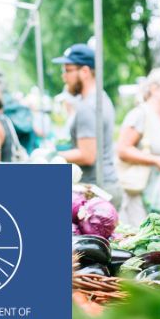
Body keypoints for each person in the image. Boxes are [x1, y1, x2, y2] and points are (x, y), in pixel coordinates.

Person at [52, 43, 122, 209]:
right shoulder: (101, 98)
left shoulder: (87, 107)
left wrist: (52, 156)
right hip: (108, 185)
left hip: (97, 191)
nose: (64, 77)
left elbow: (87, 155)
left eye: (68, 70)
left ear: (84, 72)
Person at [117, 68, 160, 226]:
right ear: (154, 89)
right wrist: (156, 161)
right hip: (140, 197)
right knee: (143, 245)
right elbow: (122, 150)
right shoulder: (140, 114)